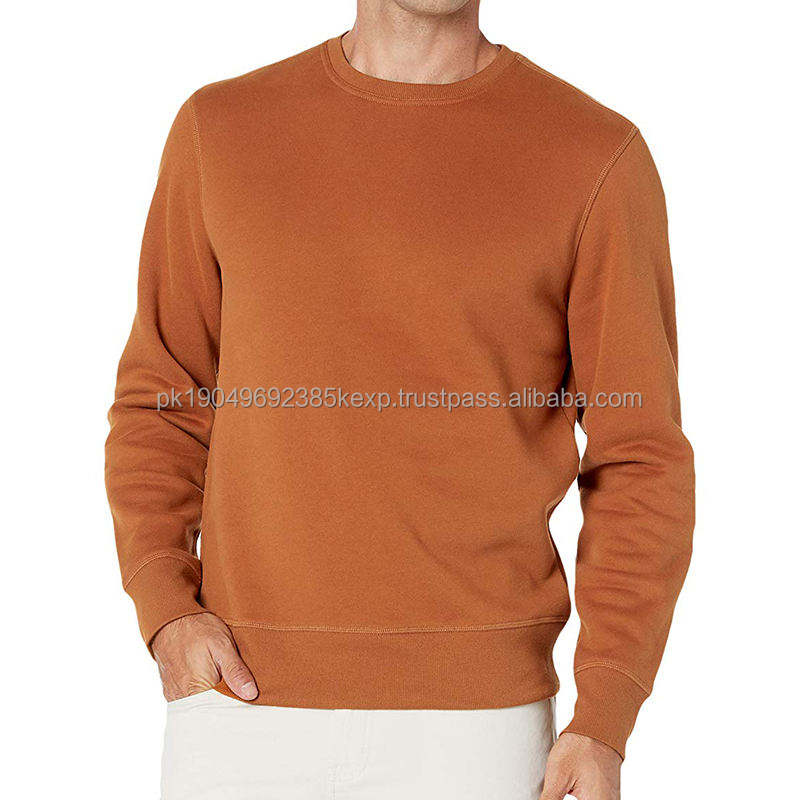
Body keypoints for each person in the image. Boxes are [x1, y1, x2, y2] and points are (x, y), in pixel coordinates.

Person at [105, 1, 694, 798]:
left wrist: (605, 717)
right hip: (239, 705)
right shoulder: (221, 130)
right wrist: (165, 606)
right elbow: (161, 399)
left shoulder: (594, 155)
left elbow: (640, 456)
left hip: (477, 728)